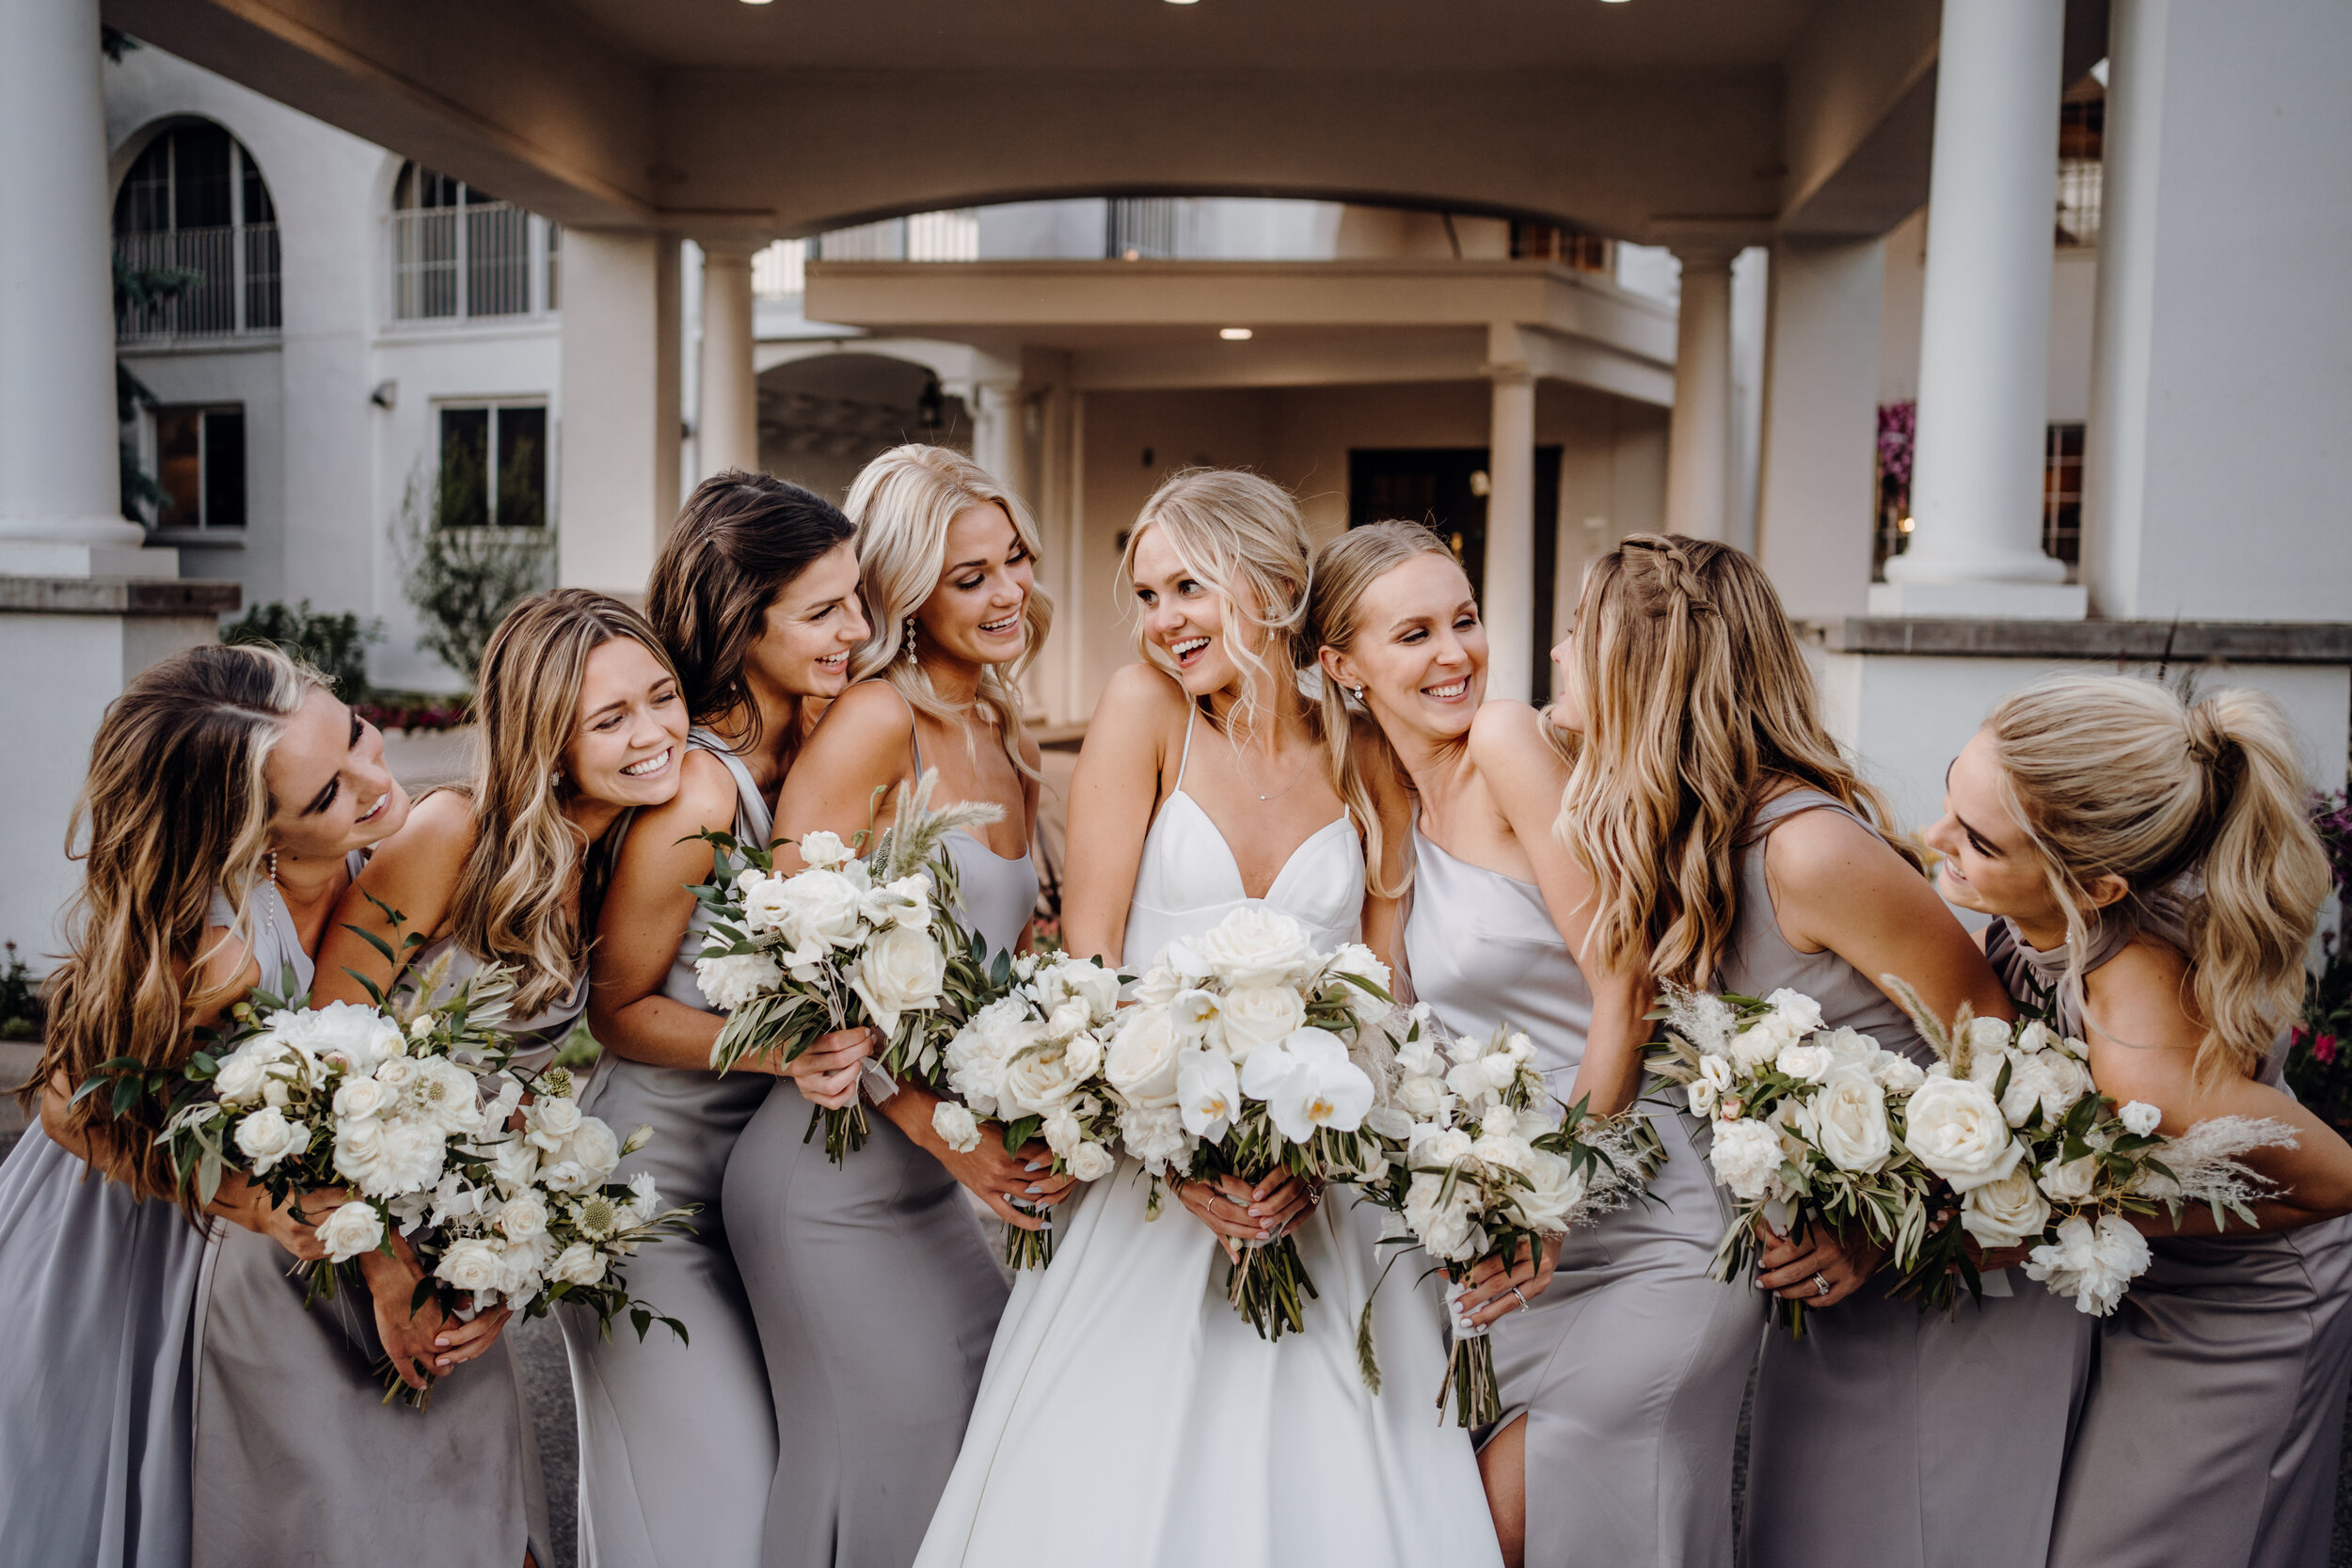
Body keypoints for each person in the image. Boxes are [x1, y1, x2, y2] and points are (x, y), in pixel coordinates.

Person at [916, 469, 1501, 1568]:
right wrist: (1173, 1151)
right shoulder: (1145, 712)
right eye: (1145, 594)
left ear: (1271, 580)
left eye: (1187, 584)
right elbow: (1088, 970)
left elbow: (1380, 993)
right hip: (1151, 1188)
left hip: (1319, 1196)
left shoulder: (1359, 746)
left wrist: (1320, 1156)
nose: (1162, 620)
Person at [1550, 534, 2085, 1568]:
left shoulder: (1807, 848)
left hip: (1946, 1285)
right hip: (1824, 1298)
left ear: (1637, 673)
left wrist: (1884, 1238)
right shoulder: (1674, 836)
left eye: (1579, 630)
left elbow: (2026, 1085)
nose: (1559, 652)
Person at [1310, 521, 1751, 1568]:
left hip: (1639, 1222)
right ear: (1341, 666)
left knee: (1525, 1531)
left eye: (1462, 620)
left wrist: (1554, 1196)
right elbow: (1394, 1018)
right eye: (1411, 633)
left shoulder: (1506, 741)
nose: (1454, 653)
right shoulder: (1388, 797)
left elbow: (1626, 983)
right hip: (1506, 1246)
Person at [0, 643, 461, 1567]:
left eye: (360, 733)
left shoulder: (384, 850)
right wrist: (255, 1204)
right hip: (137, 1220)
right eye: (327, 793)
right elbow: (67, 1107)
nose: (374, 777)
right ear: (252, 838)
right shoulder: (219, 953)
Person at [1925, 673, 2352, 1568]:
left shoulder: (2139, 1039)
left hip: (2240, 1306)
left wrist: (2060, 1216)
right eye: (1948, 795)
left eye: (1977, 840)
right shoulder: (2048, 912)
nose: (1935, 842)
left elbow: (2340, 1182)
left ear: (2096, 884)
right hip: (2140, 1282)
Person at [741, 444, 1065, 1567]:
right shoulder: (880, 720)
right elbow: (789, 944)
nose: (1008, 590)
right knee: (878, 1475)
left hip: (931, 1177)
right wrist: (935, 1123)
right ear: (907, 592)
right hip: (828, 1170)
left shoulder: (1008, 734)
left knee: (961, 1445)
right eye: (968, 575)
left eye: (1013, 559)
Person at [567, 472, 872, 1568]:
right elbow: (617, 1009)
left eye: (858, 599)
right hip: (649, 1201)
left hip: (764, 1204)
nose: (858, 629)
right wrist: (782, 1051)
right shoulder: (702, 788)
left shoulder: (825, 755)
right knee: (712, 1515)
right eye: (824, 610)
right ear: (747, 624)